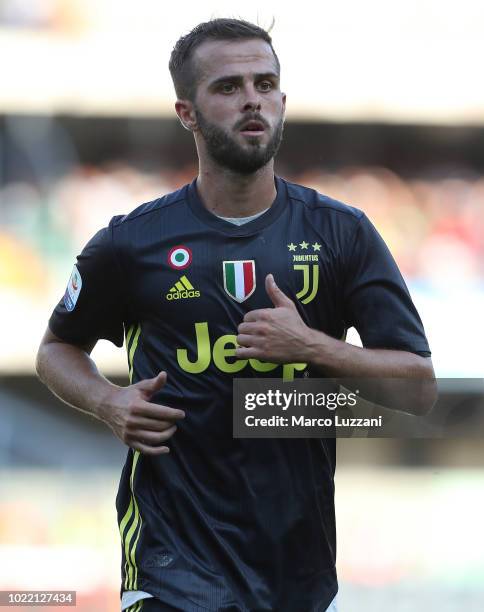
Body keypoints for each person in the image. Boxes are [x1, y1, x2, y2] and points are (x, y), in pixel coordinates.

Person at [36, 18, 434, 612]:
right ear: (186, 112)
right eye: (227, 87)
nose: (252, 98)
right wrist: (106, 400)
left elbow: (419, 389)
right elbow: (55, 348)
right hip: (172, 565)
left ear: (281, 100)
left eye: (265, 83)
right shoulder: (130, 243)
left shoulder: (342, 233)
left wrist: (313, 348)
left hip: (295, 571)